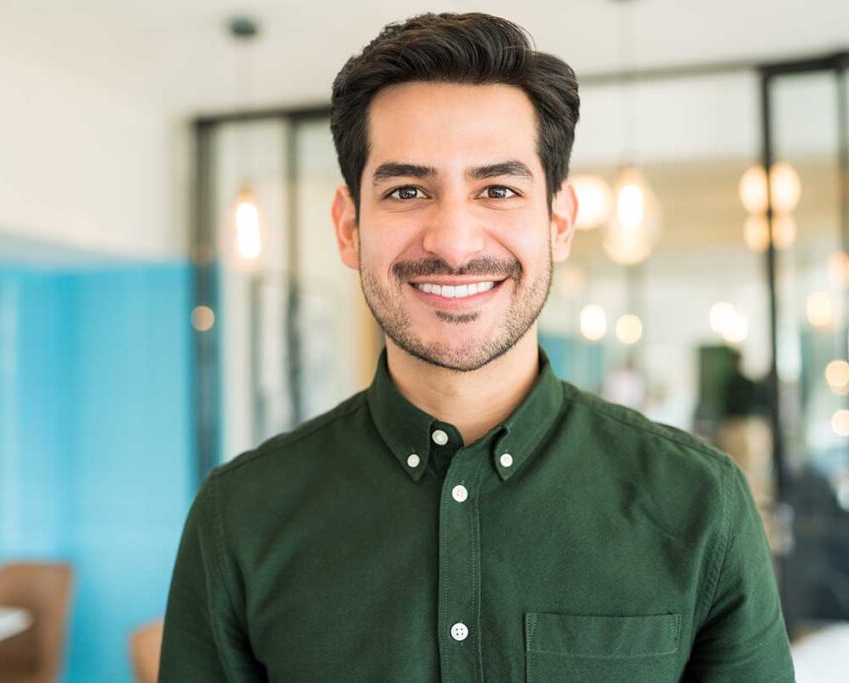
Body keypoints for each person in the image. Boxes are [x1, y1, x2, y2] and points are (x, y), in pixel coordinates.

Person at [158, 12, 795, 681]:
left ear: (558, 221)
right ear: (349, 228)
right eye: (407, 190)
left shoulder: (699, 501)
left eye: (497, 189)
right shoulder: (240, 515)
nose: (454, 243)